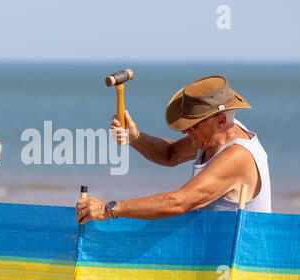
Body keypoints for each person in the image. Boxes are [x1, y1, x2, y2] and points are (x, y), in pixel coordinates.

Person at [76, 75, 271, 224]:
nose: (186, 131)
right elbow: (169, 154)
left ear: (220, 121)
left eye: (192, 125)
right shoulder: (216, 135)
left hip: (243, 266)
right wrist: (135, 138)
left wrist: (110, 209)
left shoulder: (236, 156)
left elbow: (179, 203)